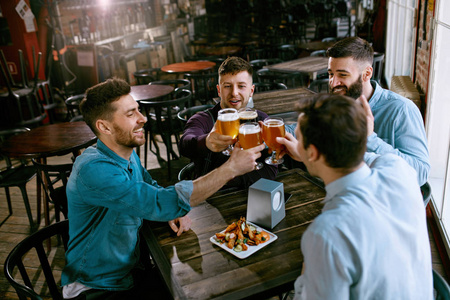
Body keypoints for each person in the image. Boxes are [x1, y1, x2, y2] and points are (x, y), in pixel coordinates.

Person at [61, 78, 265, 299]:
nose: (143, 118)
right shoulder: (94, 170)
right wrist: (231, 168)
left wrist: (166, 213)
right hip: (95, 287)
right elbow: (160, 202)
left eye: (138, 110)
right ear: (104, 126)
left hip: (132, 271)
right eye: (131, 115)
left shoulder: (124, 152)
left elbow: (150, 187)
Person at [277, 93, 432, 299]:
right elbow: (375, 158)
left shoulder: (326, 234)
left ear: (313, 153)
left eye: (299, 138)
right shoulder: (400, 170)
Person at [286, 37, 429, 186]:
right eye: (330, 74)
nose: (333, 83)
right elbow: (297, 129)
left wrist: (370, 138)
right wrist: (265, 130)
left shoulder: (401, 110)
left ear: (367, 74)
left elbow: (420, 173)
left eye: (342, 75)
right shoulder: (337, 102)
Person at [179, 56, 277, 188]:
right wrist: (207, 142)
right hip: (211, 201)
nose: (234, 93)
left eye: (241, 86)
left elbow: (271, 170)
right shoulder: (203, 119)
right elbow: (185, 144)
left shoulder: (261, 119)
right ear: (219, 90)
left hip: (251, 197)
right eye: (227, 86)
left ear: (251, 91)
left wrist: (230, 179)